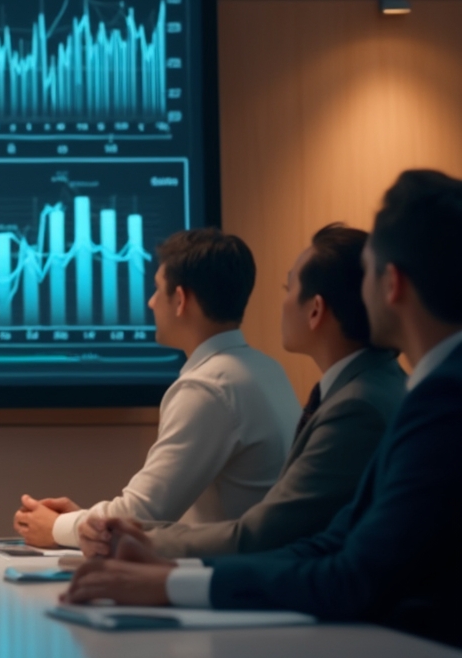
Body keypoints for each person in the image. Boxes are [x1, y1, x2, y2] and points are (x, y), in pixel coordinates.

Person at [64, 170, 462, 648]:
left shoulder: (424, 401)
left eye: (287, 287)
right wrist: (170, 575)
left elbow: (344, 572)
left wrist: (168, 580)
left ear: (392, 283)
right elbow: (333, 543)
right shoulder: (407, 390)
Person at [79, 224, 405, 558]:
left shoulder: (355, 408)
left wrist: (105, 535)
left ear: (315, 310)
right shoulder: (301, 376)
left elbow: (260, 537)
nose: (149, 302)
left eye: (288, 288)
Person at [15, 228, 300, 548]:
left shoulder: (207, 388)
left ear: (180, 300)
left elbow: (142, 514)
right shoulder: (266, 370)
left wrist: (57, 528)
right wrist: (83, 520)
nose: (150, 302)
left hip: (232, 585)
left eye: (157, 289)